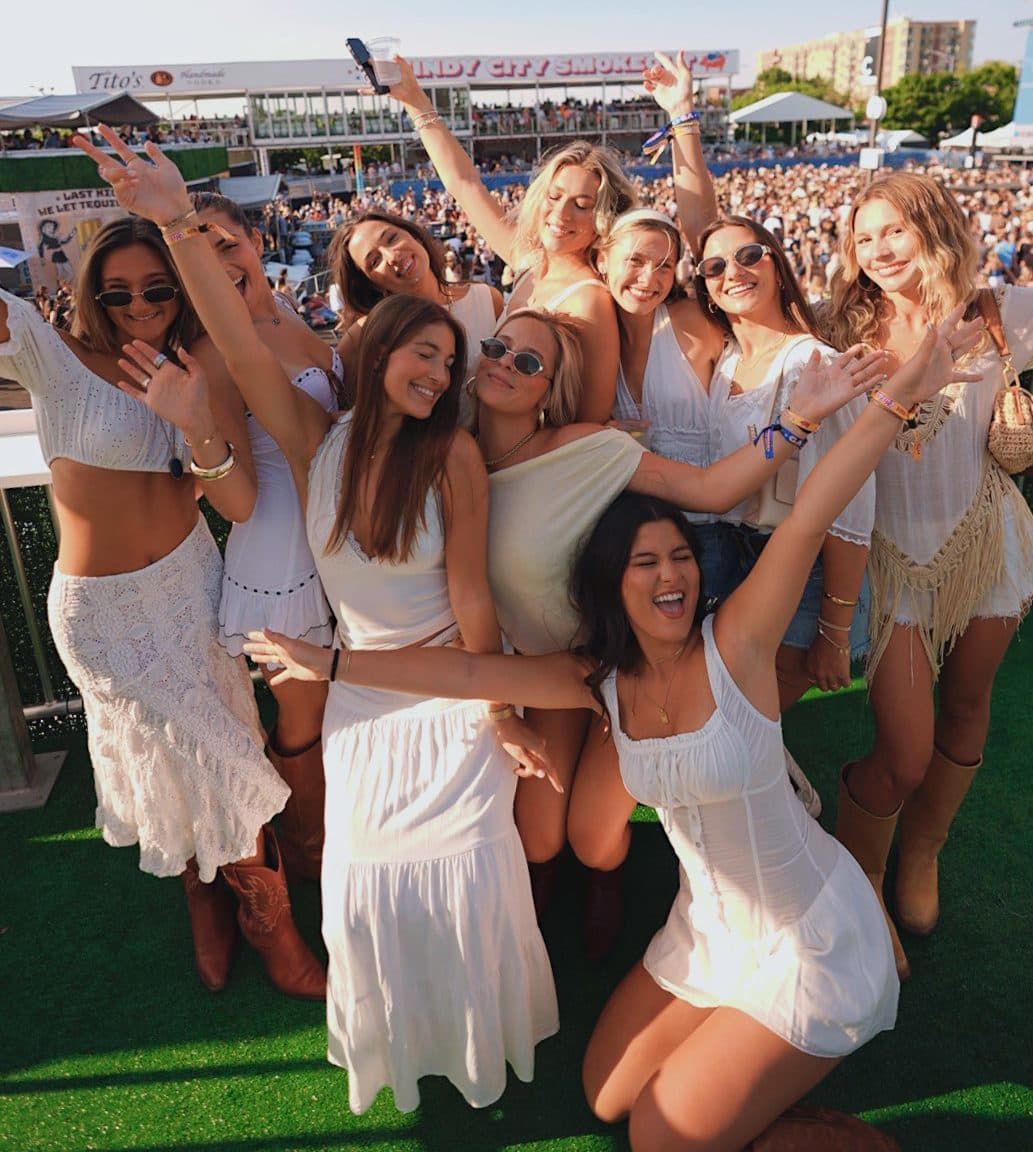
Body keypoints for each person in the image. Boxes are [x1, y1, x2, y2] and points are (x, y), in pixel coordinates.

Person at [245, 311, 980, 1150]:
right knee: (606, 1099)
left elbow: (811, 513)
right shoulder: (595, 679)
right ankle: (763, 1103)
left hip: (810, 937)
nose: (668, 575)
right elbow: (462, 672)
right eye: (643, 564)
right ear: (611, 589)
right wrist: (328, 663)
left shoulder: (733, 644)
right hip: (707, 928)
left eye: (679, 560)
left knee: (659, 1138)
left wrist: (893, 399)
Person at [77, 125, 558, 1115]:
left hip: (444, 695)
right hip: (355, 694)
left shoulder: (452, 457)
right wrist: (174, 219)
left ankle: (478, 1040)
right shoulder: (315, 444)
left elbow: (472, 602)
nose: (434, 373)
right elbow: (239, 338)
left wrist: (500, 715)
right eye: (418, 352)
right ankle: (390, 1029)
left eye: (446, 360)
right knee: (362, 875)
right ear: (375, 350)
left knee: (464, 865)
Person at [466, 305, 888, 942]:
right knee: (539, 837)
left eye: (528, 361)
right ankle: (557, 883)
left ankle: (607, 877)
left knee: (589, 839)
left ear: (549, 389)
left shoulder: (586, 448)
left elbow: (716, 489)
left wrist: (799, 419)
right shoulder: (456, 458)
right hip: (545, 671)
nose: (504, 365)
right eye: (497, 348)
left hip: (621, 666)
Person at [0, 212, 325, 1001]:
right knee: (203, 764)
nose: (138, 305)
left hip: (192, 591)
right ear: (92, 294)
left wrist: (196, 423)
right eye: (117, 293)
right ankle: (263, 930)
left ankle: (219, 902)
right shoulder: (53, 354)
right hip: (103, 616)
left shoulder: (203, 364)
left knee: (224, 757)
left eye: (156, 287)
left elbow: (240, 502)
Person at [823, 171, 1033, 980]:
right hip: (892, 560)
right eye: (863, 237)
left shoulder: (996, 313)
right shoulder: (840, 327)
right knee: (903, 753)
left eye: (893, 232)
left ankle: (920, 854)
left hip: (986, 541)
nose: (877, 251)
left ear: (934, 228)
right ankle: (861, 879)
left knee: (970, 702)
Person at [188, 190, 339, 881]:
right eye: (198, 255)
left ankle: (328, 833)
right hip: (281, 556)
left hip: (332, 539)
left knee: (333, 697)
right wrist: (197, 434)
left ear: (255, 240)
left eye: (227, 243)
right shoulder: (212, 352)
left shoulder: (287, 315)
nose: (221, 264)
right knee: (303, 709)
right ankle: (308, 849)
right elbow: (240, 502)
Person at [380, 54, 634, 422]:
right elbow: (465, 185)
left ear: (603, 218)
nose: (561, 215)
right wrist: (416, 100)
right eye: (554, 196)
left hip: (533, 464)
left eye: (582, 205)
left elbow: (591, 421)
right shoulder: (530, 262)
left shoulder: (589, 300)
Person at [696, 215, 874, 711]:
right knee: (734, 720)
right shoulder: (724, 359)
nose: (732, 271)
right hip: (729, 566)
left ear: (776, 265)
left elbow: (850, 506)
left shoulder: (814, 365)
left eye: (748, 255)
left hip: (798, 571)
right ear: (707, 290)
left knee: (755, 723)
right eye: (714, 266)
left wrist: (835, 631)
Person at [328, 207, 502, 398]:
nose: (393, 257)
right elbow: (345, 410)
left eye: (392, 238)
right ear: (372, 284)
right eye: (375, 261)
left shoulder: (487, 299)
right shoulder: (366, 334)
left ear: (414, 235)